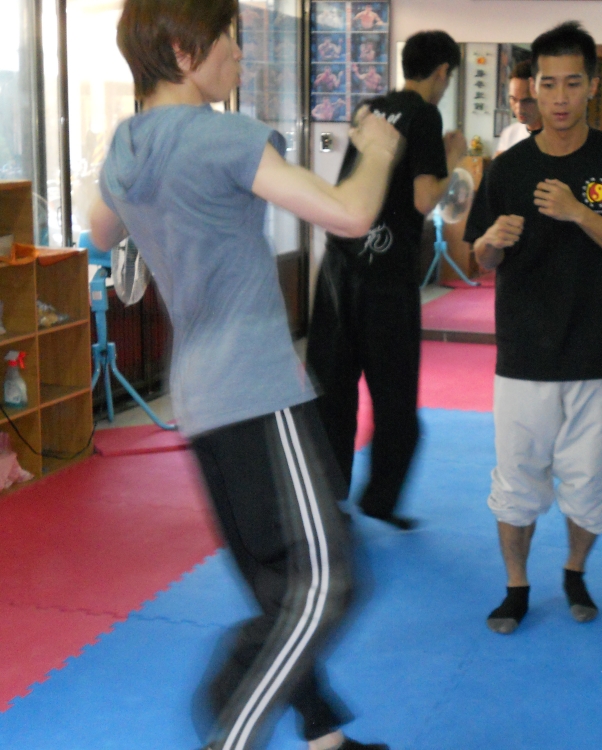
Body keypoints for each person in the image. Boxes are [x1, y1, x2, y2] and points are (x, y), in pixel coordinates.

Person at [89, 1, 401, 748]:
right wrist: (378, 149)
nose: (238, 50)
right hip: (256, 390)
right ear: (181, 50)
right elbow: (349, 215)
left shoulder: (127, 144)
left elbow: (100, 231)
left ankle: (323, 736)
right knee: (326, 582)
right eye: (227, 36)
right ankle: (230, 725)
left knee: (276, 581)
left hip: (199, 398)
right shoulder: (221, 135)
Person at [464, 21, 602, 635]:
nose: (559, 97)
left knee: (592, 483)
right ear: (533, 88)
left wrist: (579, 213)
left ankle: (575, 570)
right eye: (547, 84)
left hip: (595, 353)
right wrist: (491, 244)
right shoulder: (508, 168)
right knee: (515, 481)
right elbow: (480, 257)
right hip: (523, 354)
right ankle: (516, 585)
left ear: (592, 87)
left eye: (573, 83)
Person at [306, 31, 466, 531]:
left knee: (331, 389)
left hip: (338, 265)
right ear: (442, 72)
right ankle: (380, 499)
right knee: (394, 396)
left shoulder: (370, 109)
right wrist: (454, 159)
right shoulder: (425, 116)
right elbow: (424, 199)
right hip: (386, 276)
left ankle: (326, 499)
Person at [495, 60, 542, 157]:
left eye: (527, 101)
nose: (519, 108)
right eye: (513, 99)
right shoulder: (509, 134)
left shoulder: (559, 136)